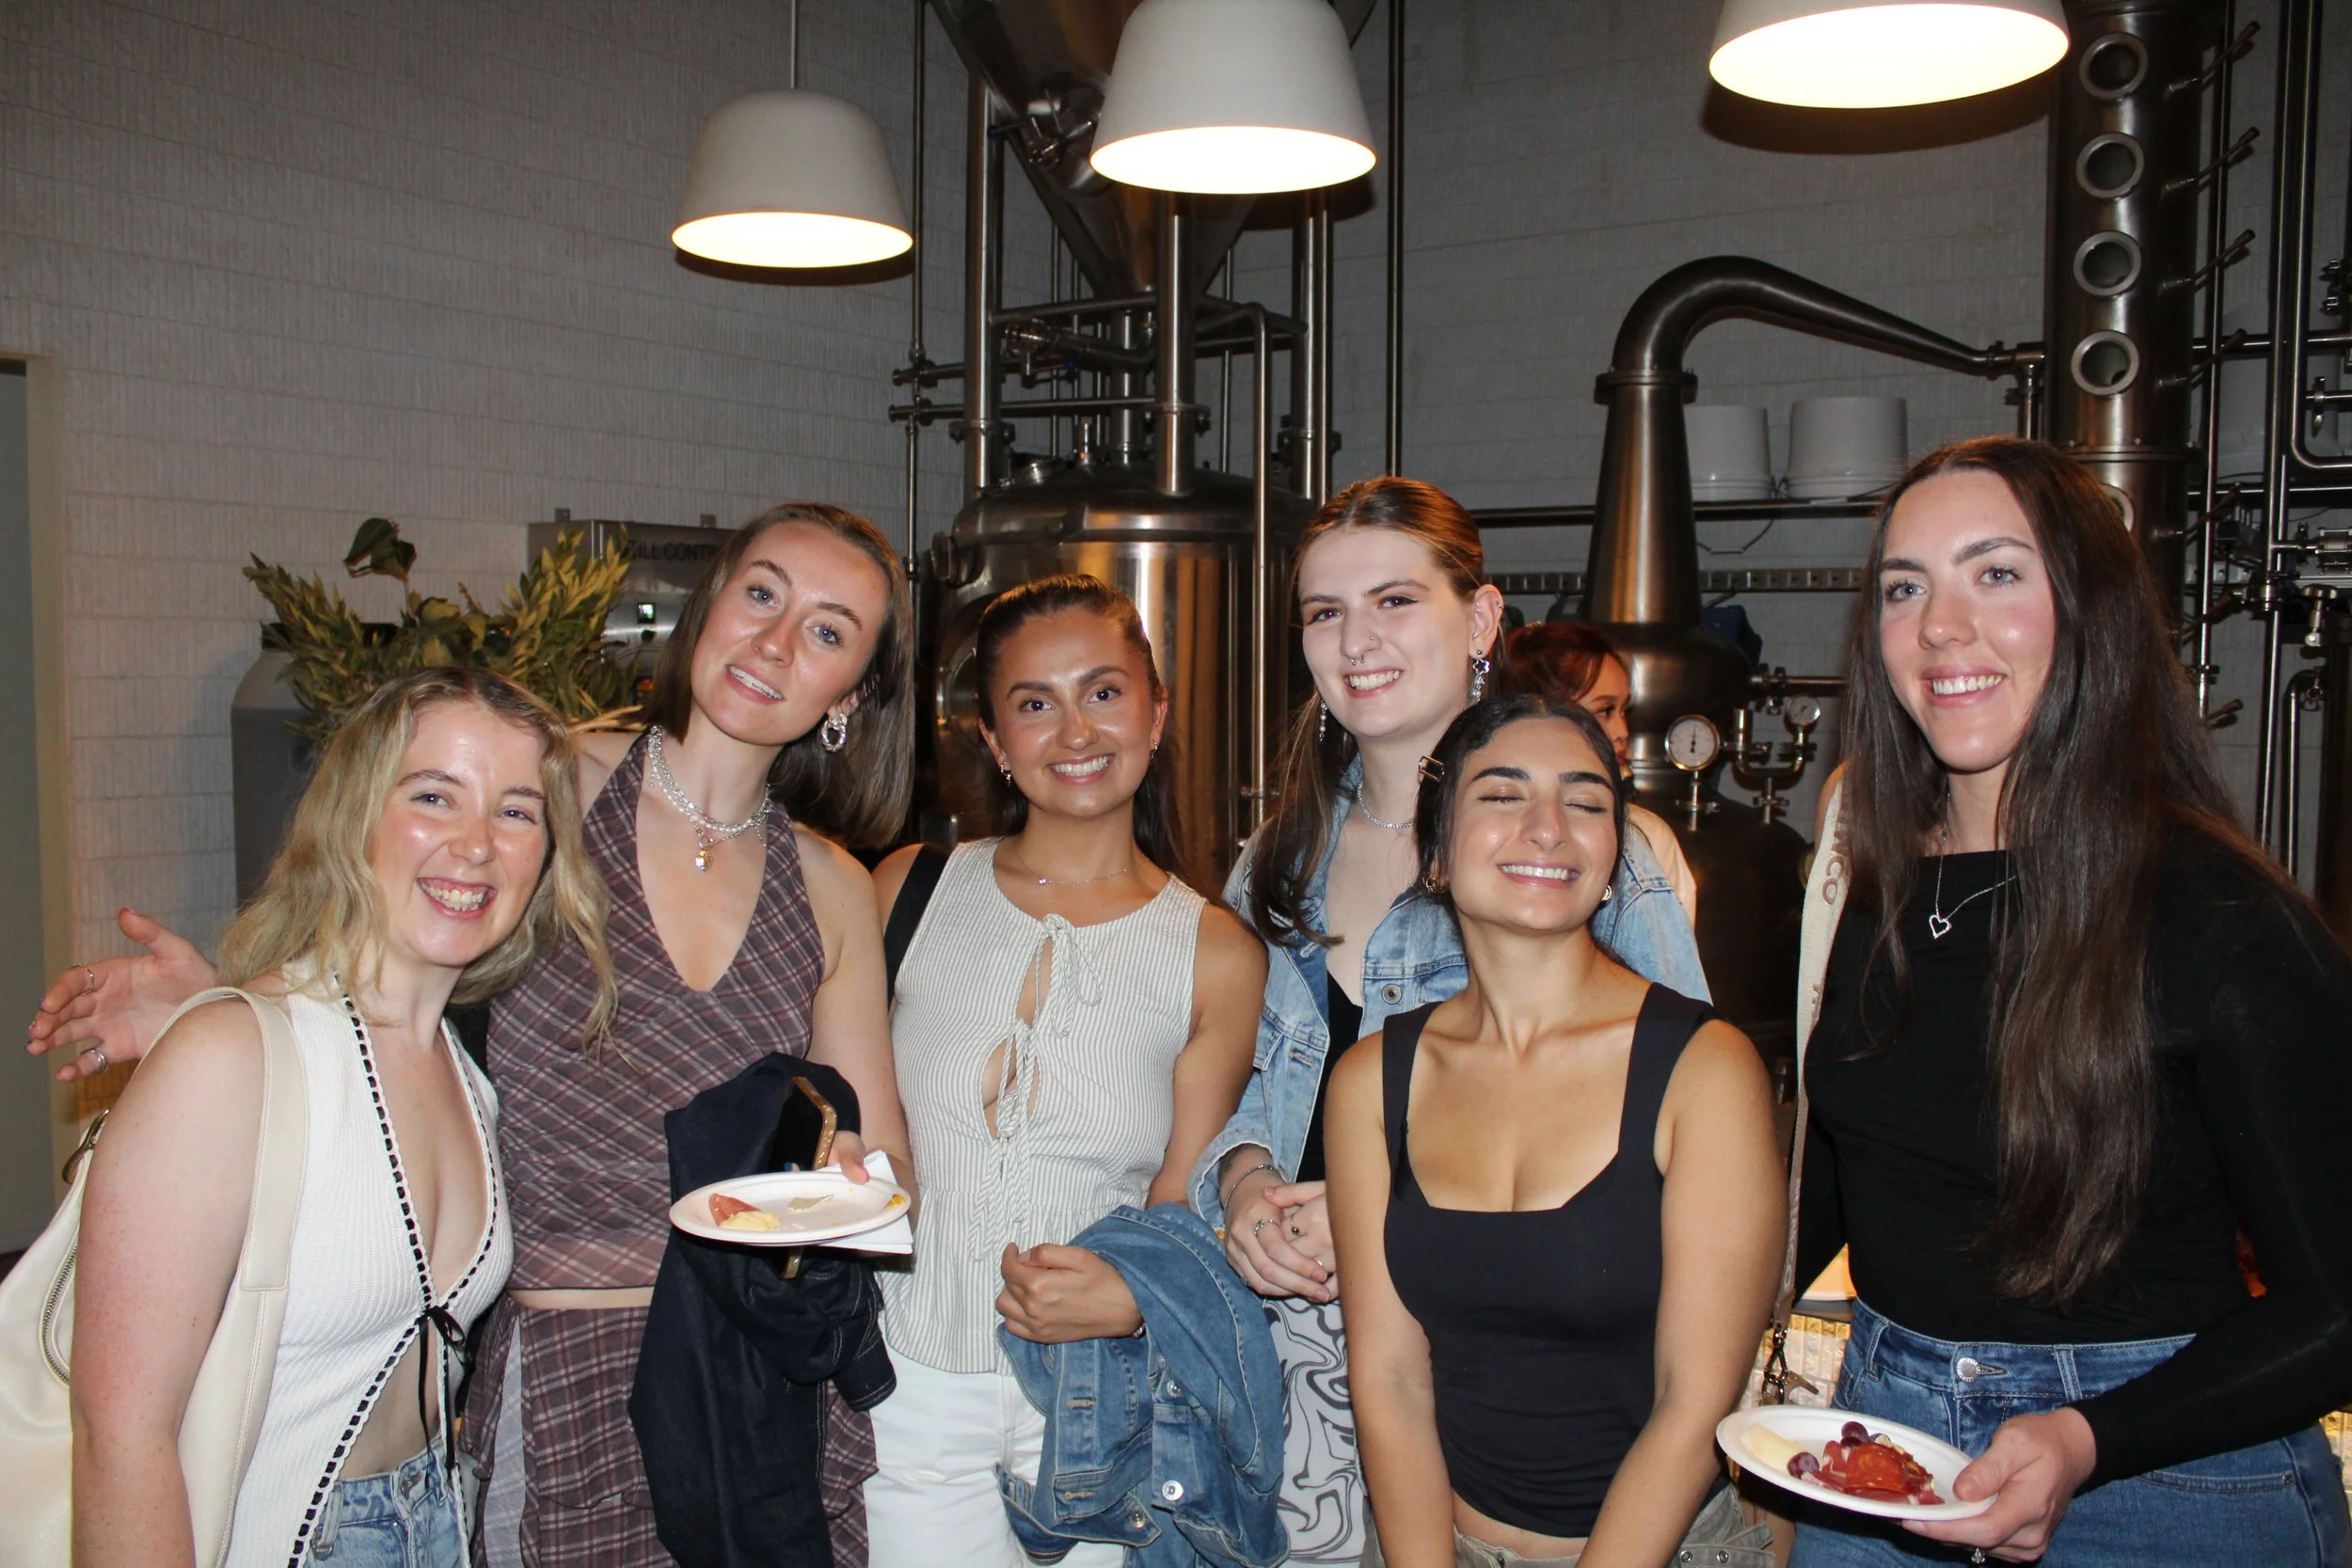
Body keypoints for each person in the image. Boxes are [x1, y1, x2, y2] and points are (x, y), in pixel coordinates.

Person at [31, 501, 918, 1567]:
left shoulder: (832, 884)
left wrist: (848, 1176)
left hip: (743, 1377)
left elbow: (880, 1157)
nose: (777, 642)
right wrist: (220, 1004)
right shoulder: (547, 783)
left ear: (851, 694)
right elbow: (398, 927)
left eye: (827, 630)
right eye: (762, 593)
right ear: (710, 604)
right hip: (559, 1362)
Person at [1790, 437, 2352, 1565]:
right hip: (1880, 1436)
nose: (1941, 624)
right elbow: (1849, 1186)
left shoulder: (2219, 914)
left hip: (2160, 1473)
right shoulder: (1888, 886)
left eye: (1995, 573)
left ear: (2086, 609)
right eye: (1906, 587)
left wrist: (2088, 1436)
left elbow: (2335, 1307)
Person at [1187, 475, 1712, 1565]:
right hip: (1297, 1389)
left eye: (1394, 601)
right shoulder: (1270, 863)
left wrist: (1394, 1208)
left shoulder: (1598, 854)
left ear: (1480, 618)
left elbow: (1686, 1142)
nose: (1355, 640)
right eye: (1323, 612)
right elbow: (1229, 1091)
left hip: (1509, 1394)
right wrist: (1240, 1181)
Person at [70, 668, 615, 1567]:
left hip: (440, 1522)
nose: (476, 844)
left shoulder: (465, 1074)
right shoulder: (227, 1058)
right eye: (435, 795)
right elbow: (120, 1438)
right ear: (355, 815)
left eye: (517, 811)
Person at [1324, 693, 1781, 1568]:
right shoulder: (1369, 1082)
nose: (1548, 828)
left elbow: (1695, 1404)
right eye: (1501, 795)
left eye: (1585, 801)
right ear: (1436, 851)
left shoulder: (1704, 1068)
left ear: (1614, 855)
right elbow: (1389, 1381)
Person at [861, 574, 1263, 1568]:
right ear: (994, 740)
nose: (1074, 730)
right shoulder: (904, 887)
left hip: (1097, 1401)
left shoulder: (1215, 950)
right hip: (902, 1384)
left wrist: (1134, 1294)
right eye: (1033, 703)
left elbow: (1182, 1202)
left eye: (1104, 691)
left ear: (1157, 711)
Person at [1502, 619, 1698, 920]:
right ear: (1540, 713)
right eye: (1605, 710)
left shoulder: (1645, 837)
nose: (1622, 731)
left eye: (1624, 710)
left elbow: (1667, 962)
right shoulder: (1482, 827)